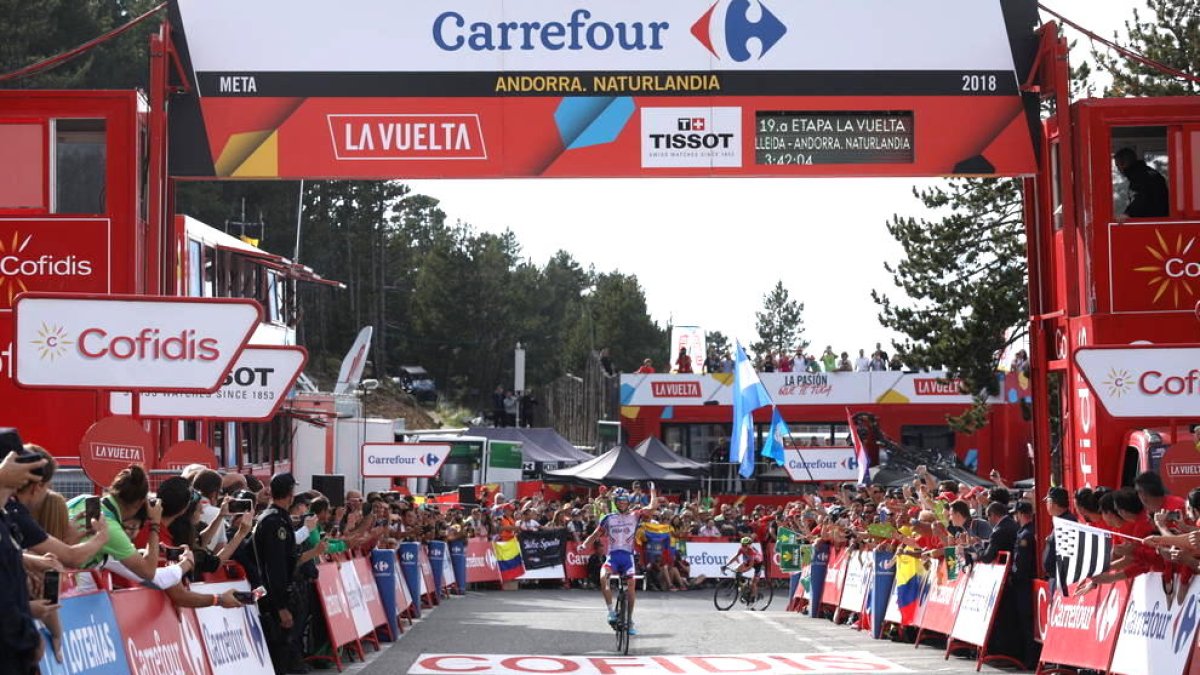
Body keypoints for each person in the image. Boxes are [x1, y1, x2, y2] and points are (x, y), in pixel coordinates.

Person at [582, 484, 658, 635]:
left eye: (624, 500)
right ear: (615, 502)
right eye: (619, 500)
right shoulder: (608, 518)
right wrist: (584, 544)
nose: (622, 503)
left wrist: (653, 491)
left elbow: (652, 507)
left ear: (628, 501)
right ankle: (611, 612)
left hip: (628, 558)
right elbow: (596, 534)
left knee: (631, 587)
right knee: (603, 577)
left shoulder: (635, 515)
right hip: (613, 557)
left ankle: (629, 620)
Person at [253, 472, 308, 675]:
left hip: (275, 595)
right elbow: (275, 568)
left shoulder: (275, 518)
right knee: (280, 652)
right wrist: (281, 606)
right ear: (290, 493)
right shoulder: (275, 522)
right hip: (274, 599)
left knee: (286, 652)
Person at [1114, 147, 1169, 219]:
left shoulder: (1140, 176)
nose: (1119, 169)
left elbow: (1141, 198)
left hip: (1152, 222)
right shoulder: (1146, 173)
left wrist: (1128, 214)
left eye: (1118, 165)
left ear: (1123, 163)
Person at [1041, 486, 1075, 592]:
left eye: (1047, 502)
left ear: (1052, 503)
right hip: (1055, 577)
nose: (1046, 505)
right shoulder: (1061, 520)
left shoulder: (1067, 523)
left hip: (1061, 579)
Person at [723, 536, 765, 602]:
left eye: (745, 546)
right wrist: (726, 565)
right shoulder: (741, 549)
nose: (743, 547)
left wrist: (743, 571)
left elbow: (750, 566)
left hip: (758, 564)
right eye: (742, 545)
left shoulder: (751, 552)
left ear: (749, 545)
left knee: (753, 583)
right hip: (748, 562)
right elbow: (735, 557)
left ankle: (753, 598)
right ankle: (743, 588)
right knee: (736, 570)